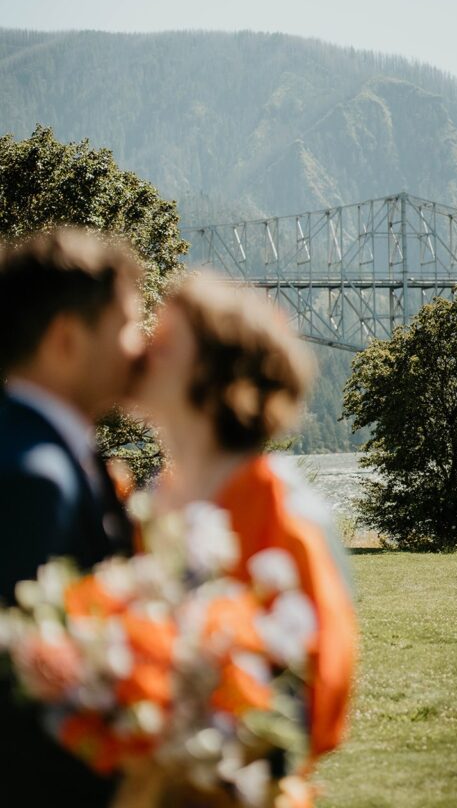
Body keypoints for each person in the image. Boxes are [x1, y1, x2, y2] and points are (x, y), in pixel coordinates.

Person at [132, 273, 357, 777]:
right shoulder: (149, 497)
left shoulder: (283, 509)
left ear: (217, 375)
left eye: (166, 341)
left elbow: (319, 699)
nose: (144, 349)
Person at [0, 228, 145, 807]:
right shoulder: (33, 479)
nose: (142, 345)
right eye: (127, 326)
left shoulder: (44, 452)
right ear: (66, 340)